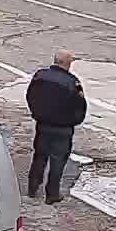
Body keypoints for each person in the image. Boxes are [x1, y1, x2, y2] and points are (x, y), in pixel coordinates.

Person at [25, 50, 86, 203]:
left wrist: (37, 113)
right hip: (63, 129)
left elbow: (30, 96)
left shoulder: (40, 75)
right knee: (58, 161)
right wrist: (73, 121)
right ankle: (52, 194)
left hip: (43, 125)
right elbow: (80, 106)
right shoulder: (72, 82)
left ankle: (32, 188)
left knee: (39, 157)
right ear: (67, 63)